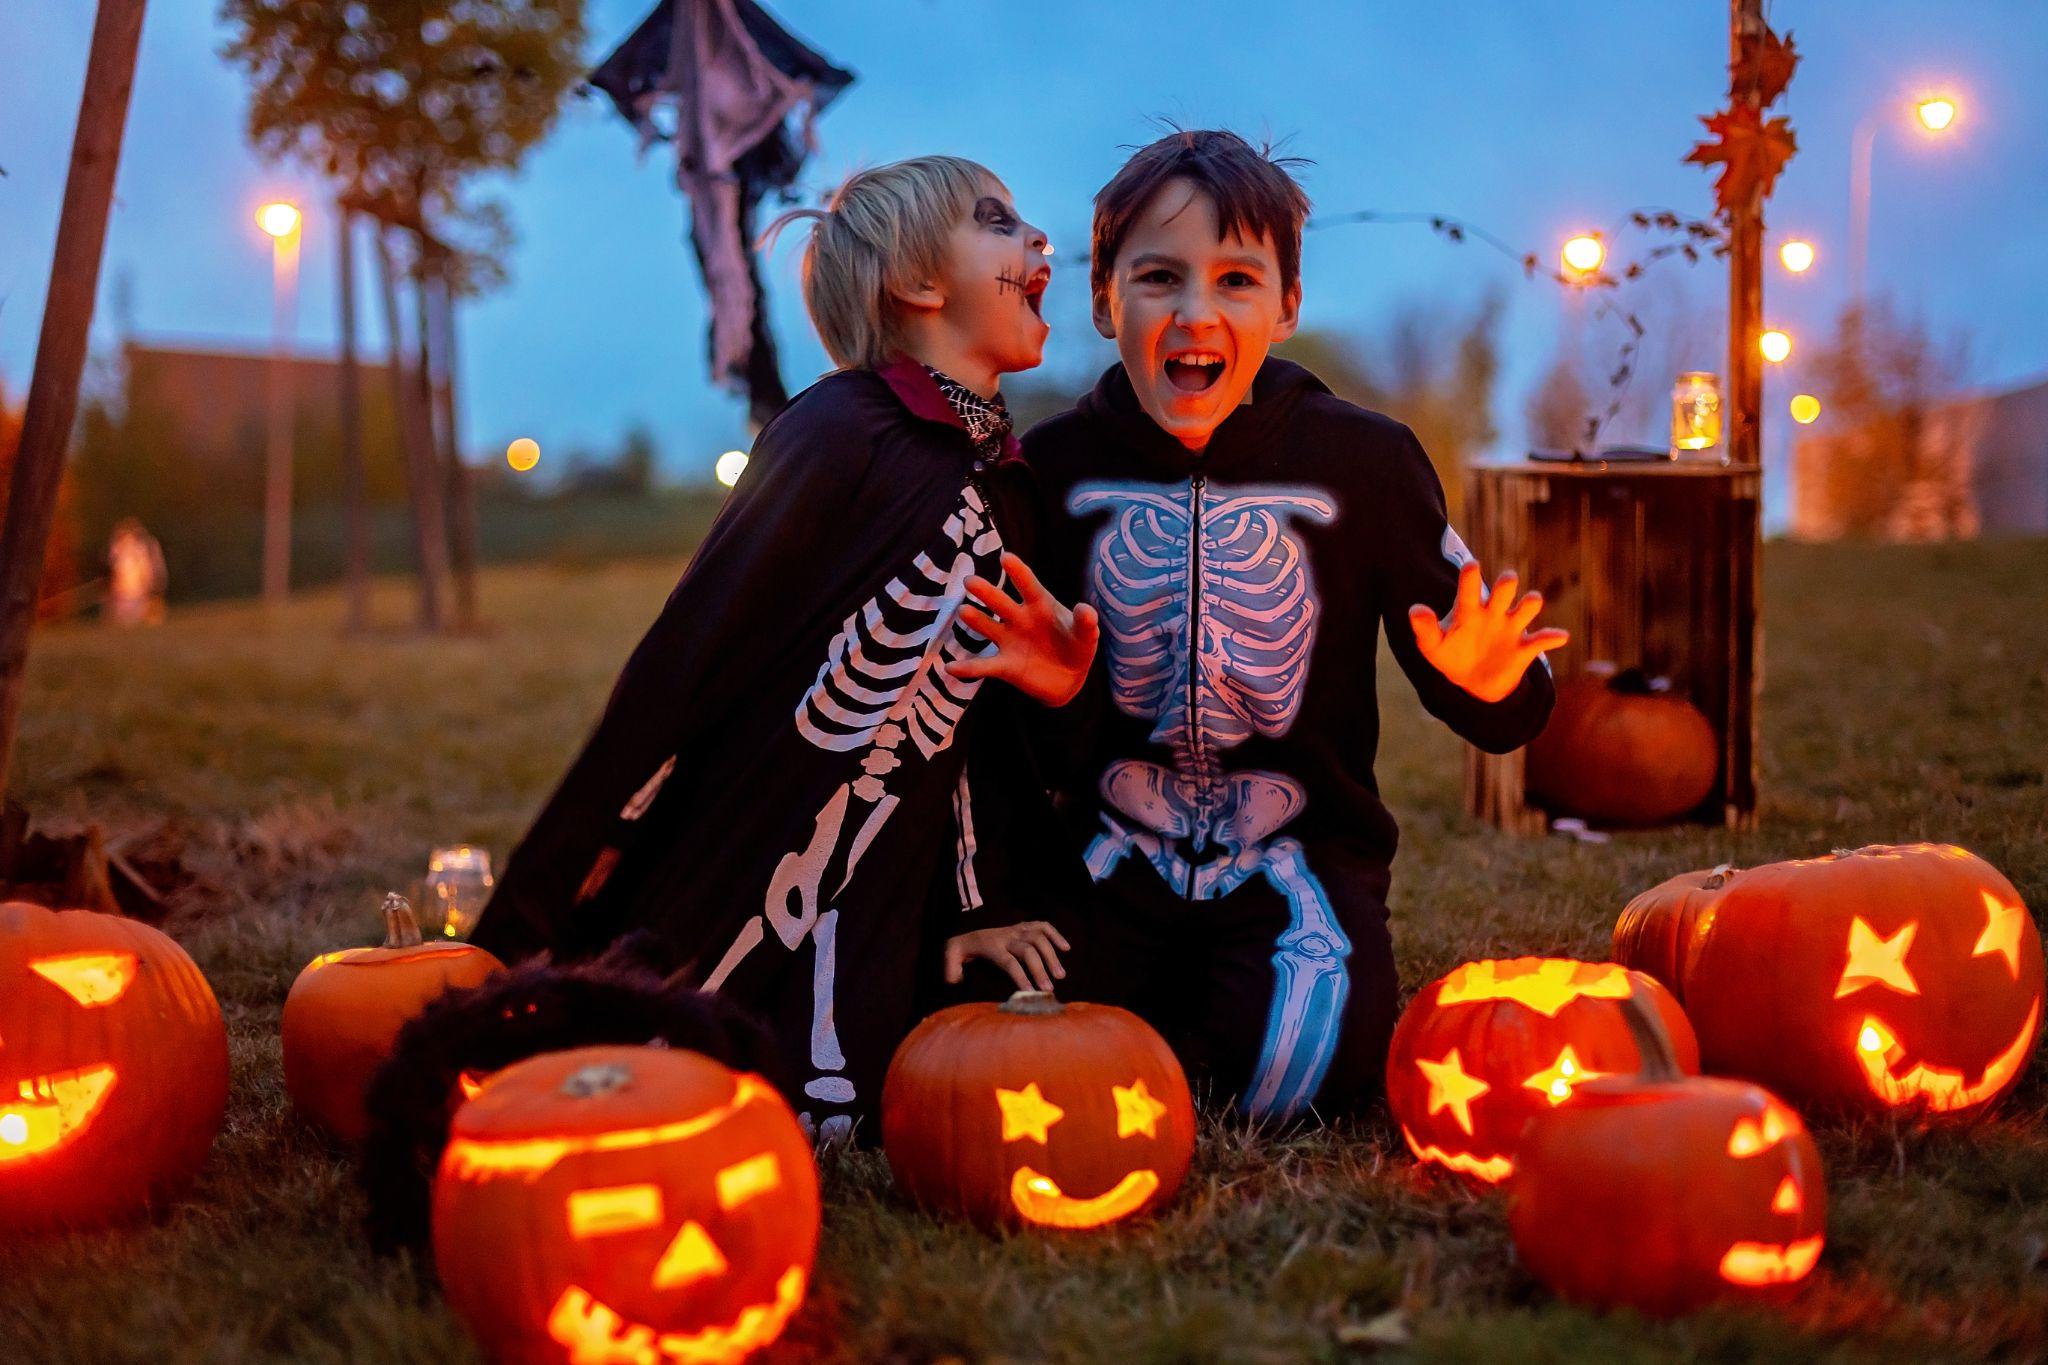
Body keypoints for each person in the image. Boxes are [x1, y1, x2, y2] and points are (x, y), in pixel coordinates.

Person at [471, 156, 1096, 1142]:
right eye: (997, 222)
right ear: (918, 284)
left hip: (890, 900)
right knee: (653, 1082)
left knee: (857, 1110)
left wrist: (986, 900)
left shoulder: (1005, 483)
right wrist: (520, 923)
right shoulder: (838, 429)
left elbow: (977, 738)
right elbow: (686, 659)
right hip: (740, 852)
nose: (1037, 243)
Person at [1022, 130, 1568, 1122]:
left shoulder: (1365, 461)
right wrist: (1048, 699)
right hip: (1102, 856)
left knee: (1298, 1082)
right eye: (1157, 277)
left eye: (1236, 279)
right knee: (1013, 1049)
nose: (1196, 312)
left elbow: (1501, 710)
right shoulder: (1043, 474)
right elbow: (1023, 744)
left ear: (1286, 306)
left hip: (1296, 856)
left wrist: (1489, 683)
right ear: (1103, 303)